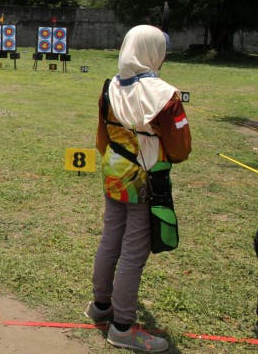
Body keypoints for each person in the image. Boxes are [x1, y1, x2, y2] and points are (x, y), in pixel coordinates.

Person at [85, 24, 191, 352]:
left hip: (114, 175)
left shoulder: (109, 87)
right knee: (133, 252)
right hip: (146, 181)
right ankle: (122, 326)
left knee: (110, 240)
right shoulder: (165, 95)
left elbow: (102, 139)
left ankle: (101, 306)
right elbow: (180, 150)